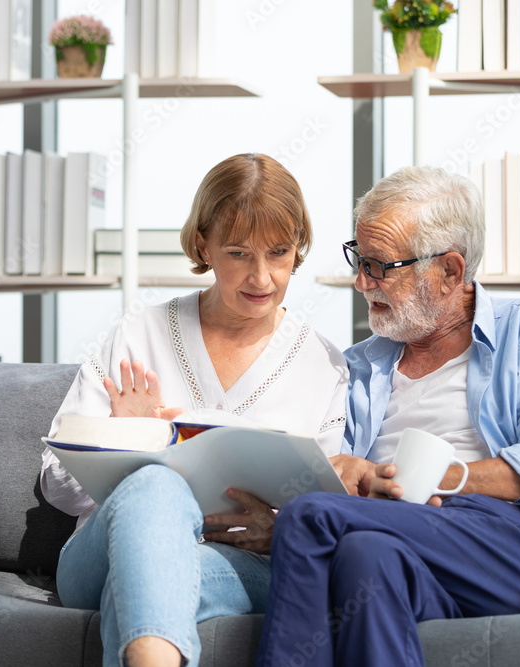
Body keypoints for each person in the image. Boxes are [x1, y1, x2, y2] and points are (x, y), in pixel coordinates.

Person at [255, 165, 520, 667]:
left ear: (450, 272)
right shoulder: (357, 366)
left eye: (379, 265)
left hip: (514, 542)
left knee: (310, 516)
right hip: (400, 536)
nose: (360, 281)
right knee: (363, 558)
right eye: (358, 259)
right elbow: (330, 463)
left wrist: (446, 477)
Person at [40, 153, 350, 667]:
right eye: (237, 253)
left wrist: (278, 529)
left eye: (278, 253)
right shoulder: (138, 335)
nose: (262, 277)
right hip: (97, 554)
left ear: (298, 249)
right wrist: (123, 438)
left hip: (248, 564)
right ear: (202, 243)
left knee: (142, 579)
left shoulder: (323, 364)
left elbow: (326, 506)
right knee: (159, 487)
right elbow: (56, 485)